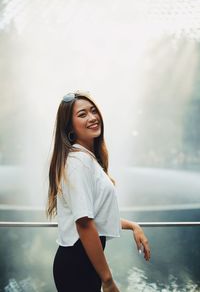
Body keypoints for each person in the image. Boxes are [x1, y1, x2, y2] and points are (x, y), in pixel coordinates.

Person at [47, 91, 150, 292]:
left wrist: (132, 225)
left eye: (93, 111)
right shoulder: (79, 163)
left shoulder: (87, 159)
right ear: (69, 127)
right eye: (82, 114)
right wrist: (108, 281)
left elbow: (93, 216)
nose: (92, 117)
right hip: (77, 266)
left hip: (83, 263)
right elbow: (84, 224)